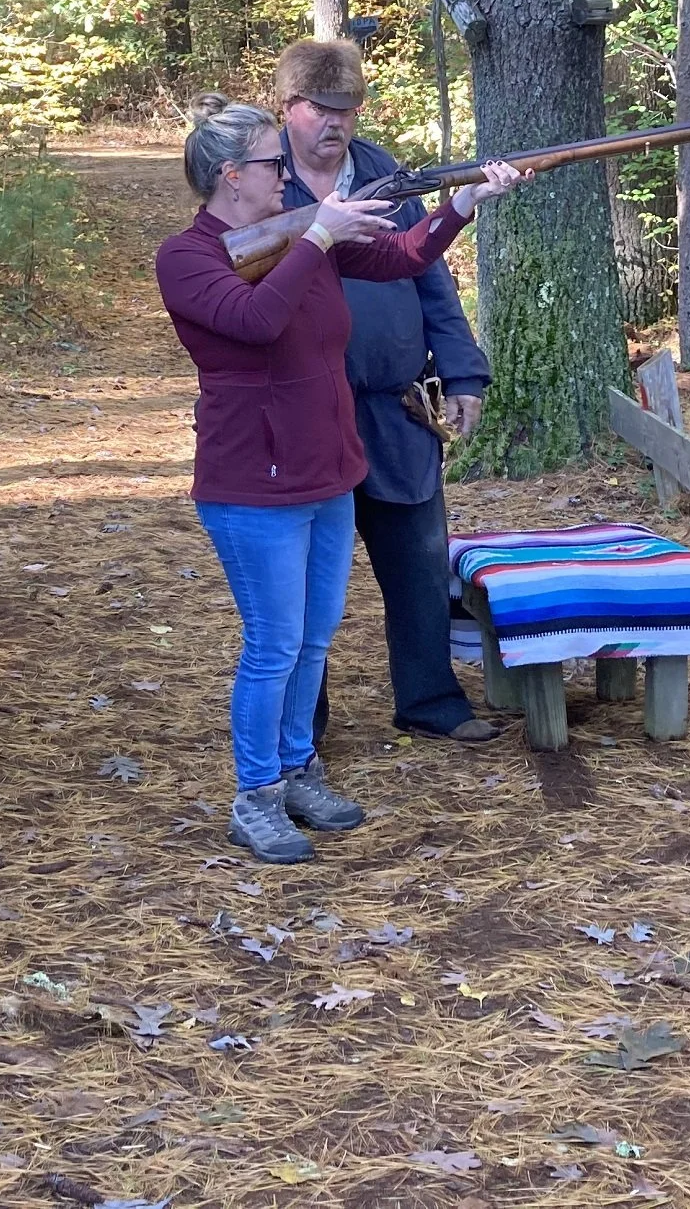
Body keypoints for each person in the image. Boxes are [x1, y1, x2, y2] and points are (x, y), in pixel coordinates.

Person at [154, 99, 524, 865]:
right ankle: (255, 794)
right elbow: (255, 321)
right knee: (273, 644)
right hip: (251, 481)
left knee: (314, 638)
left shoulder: (298, 234)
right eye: (271, 164)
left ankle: (298, 771)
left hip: (329, 467)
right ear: (231, 176)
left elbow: (401, 258)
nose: (285, 173)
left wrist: (459, 205)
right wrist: (317, 232)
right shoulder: (187, 257)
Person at [271, 40, 497, 743]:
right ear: (288, 107)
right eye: (318, 108)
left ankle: (431, 700)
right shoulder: (258, 178)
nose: (334, 122)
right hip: (304, 412)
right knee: (304, 585)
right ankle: (301, 727)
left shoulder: (384, 175)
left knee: (420, 564)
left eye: (346, 108)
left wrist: (462, 372)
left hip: (395, 405)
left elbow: (430, 275)